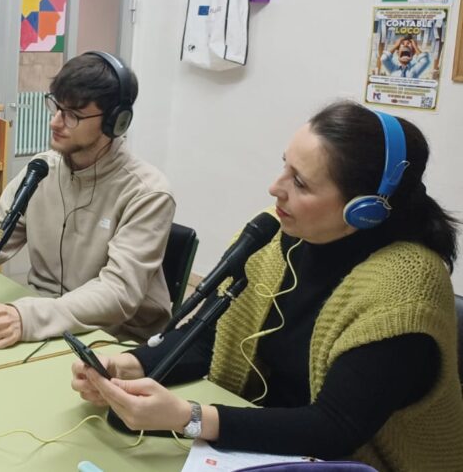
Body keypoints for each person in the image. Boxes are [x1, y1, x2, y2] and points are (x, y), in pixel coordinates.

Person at [71, 101, 463, 469]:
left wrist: (189, 417)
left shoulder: (405, 287)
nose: (276, 188)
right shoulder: (281, 239)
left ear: (364, 209)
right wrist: (132, 364)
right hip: (268, 447)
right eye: (284, 167)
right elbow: (214, 336)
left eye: (301, 183)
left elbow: (334, 429)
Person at [0, 52, 175, 347]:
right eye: (56, 107)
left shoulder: (147, 193)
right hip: (45, 322)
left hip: (113, 339)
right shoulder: (41, 170)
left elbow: (117, 294)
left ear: (116, 122)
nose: (55, 122)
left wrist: (28, 317)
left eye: (73, 115)